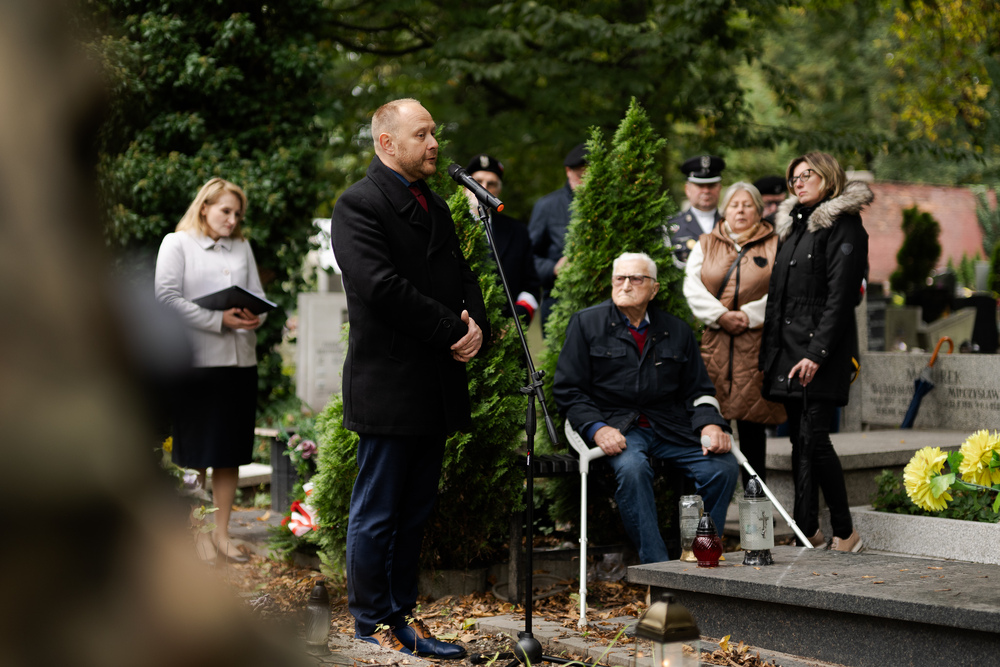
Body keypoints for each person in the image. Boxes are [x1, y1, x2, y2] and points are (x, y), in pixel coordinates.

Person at [330, 98, 489, 658]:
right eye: (422, 134)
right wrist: (451, 328)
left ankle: (402, 615)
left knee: (416, 509)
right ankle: (370, 619)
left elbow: (463, 275)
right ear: (386, 143)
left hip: (435, 382)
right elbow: (381, 287)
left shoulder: (437, 206)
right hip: (390, 383)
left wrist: (478, 327)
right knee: (379, 510)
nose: (435, 143)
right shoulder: (358, 206)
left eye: (434, 133)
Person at [553, 252, 739, 564]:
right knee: (633, 469)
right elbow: (568, 389)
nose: (625, 285)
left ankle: (699, 553)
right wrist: (598, 429)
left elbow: (699, 389)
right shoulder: (587, 324)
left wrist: (710, 424)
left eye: (636, 279)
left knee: (723, 467)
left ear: (653, 289)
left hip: (669, 426)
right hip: (618, 426)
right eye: (619, 278)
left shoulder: (676, 330)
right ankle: (656, 568)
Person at [760, 152, 873, 553]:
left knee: (815, 438)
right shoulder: (794, 227)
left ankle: (845, 531)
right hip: (789, 352)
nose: (799, 182)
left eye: (808, 175)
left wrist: (817, 353)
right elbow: (781, 298)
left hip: (820, 353)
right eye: (794, 178)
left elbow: (841, 300)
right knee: (800, 441)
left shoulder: (845, 227)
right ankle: (808, 528)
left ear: (829, 177)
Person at [154, 177, 266, 565]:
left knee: (229, 454)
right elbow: (165, 298)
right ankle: (196, 535)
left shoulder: (242, 247)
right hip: (198, 365)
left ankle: (222, 535)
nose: (233, 220)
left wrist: (254, 318)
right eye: (225, 211)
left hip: (240, 363)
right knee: (194, 455)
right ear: (204, 207)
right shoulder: (178, 243)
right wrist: (219, 319)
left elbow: (257, 299)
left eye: (237, 214)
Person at [683, 182, 786, 488]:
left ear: (759, 210)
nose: (740, 210)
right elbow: (691, 286)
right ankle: (714, 506)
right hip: (712, 346)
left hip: (756, 347)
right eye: (734, 205)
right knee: (711, 423)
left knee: (753, 432)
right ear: (724, 210)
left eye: (748, 205)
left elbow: (782, 290)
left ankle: (757, 507)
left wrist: (749, 316)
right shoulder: (706, 243)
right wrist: (721, 316)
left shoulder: (777, 244)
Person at [463, 153, 541, 325]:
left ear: (498, 191)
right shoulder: (449, 223)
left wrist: (515, 321)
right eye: (477, 182)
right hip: (463, 329)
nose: (483, 188)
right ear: (464, 187)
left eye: (491, 184)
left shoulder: (517, 230)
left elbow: (531, 285)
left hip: (507, 328)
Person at [528, 142, 588, 329]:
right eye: (580, 177)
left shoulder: (610, 205)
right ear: (568, 171)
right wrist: (553, 268)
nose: (585, 183)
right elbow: (528, 258)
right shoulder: (547, 206)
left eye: (591, 177)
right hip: (559, 303)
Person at [667, 154, 726, 265]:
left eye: (711, 185)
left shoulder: (731, 224)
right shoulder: (671, 227)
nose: (706, 191)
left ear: (719, 188)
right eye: (700, 185)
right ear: (687, 189)